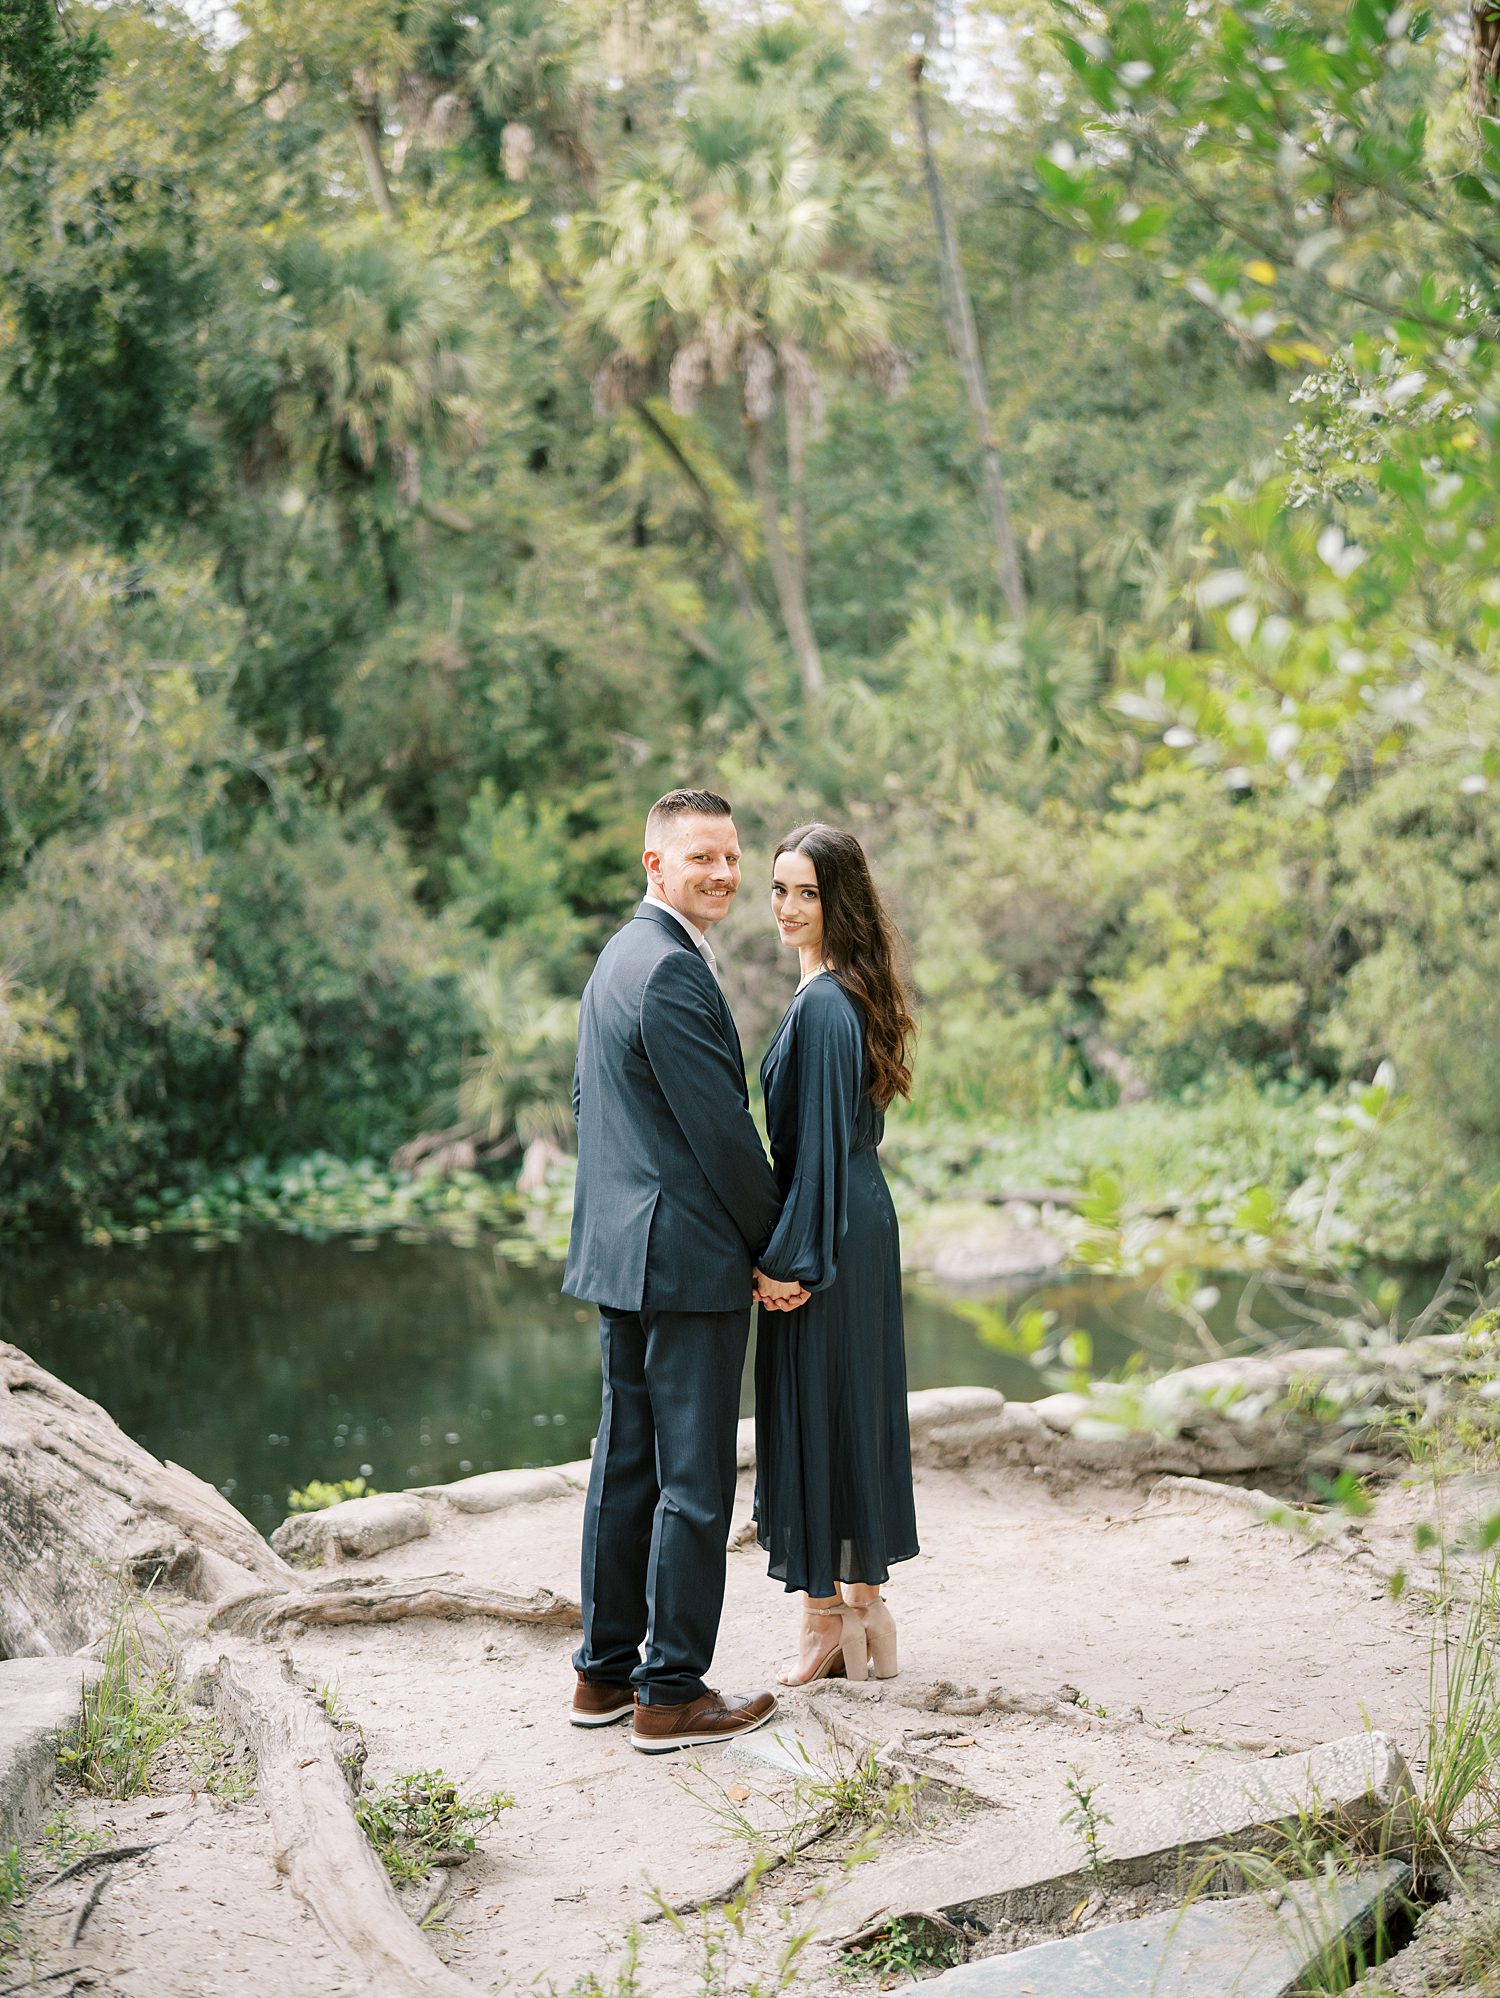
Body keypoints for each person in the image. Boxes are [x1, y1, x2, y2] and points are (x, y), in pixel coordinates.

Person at [563, 787, 809, 1753]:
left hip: (623, 1252)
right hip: (686, 1261)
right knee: (693, 1479)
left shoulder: (619, 958)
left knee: (626, 1467)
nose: (723, 874)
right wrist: (775, 1250)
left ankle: (602, 1675)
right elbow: (721, 1137)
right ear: (655, 864)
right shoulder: (667, 969)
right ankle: (670, 1691)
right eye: (701, 857)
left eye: (733, 857)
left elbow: (589, 1102)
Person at [753, 823, 920, 1685]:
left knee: (817, 1410)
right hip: (861, 1218)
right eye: (779, 889)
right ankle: (866, 1614)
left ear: (838, 900)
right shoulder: (846, 989)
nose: (786, 907)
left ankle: (827, 1623)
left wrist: (791, 1263)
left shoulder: (823, 1005)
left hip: (831, 1230)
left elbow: (814, 1149)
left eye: (806, 893)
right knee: (849, 1408)